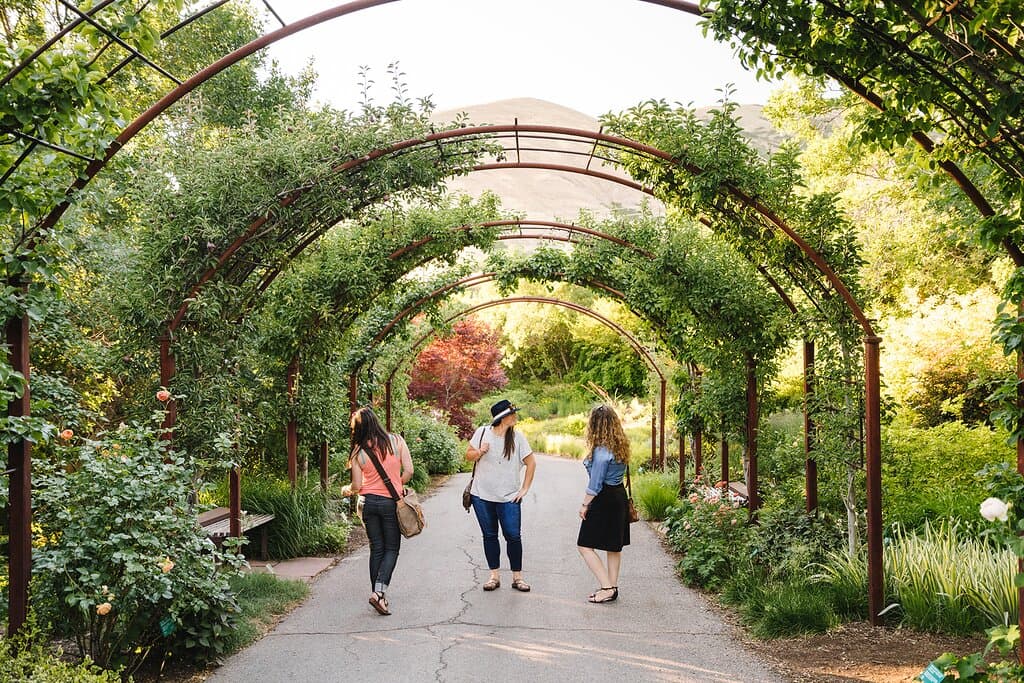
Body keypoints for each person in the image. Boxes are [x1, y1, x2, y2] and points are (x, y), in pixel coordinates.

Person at [348, 406, 414, 616]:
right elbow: (409, 471)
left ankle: (379, 596)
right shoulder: (396, 441)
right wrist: (397, 484)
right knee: (392, 548)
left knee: (377, 549)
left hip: (368, 503)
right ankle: (378, 594)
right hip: (389, 503)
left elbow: (357, 486)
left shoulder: (358, 451)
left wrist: (345, 490)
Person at [466, 398, 536, 592]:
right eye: (512, 413)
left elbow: (531, 463)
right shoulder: (482, 433)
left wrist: (524, 489)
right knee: (489, 535)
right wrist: (480, 451)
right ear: (502, 417)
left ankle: (517, 577)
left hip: (509, 498)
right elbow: (468, 455)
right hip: (481, 496)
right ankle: (494, 576)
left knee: (513, 536)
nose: (515, 416)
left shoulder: (518, 438)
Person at [577, 404, 631, 604]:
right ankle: (613, 586)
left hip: (604, 498)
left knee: (584, 545)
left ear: (594, 425)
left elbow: (595, 483)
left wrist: (584, 505)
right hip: (618, 496)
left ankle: (606, 587)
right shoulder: (620, 446)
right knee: (613, 546)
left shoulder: (601, 451)